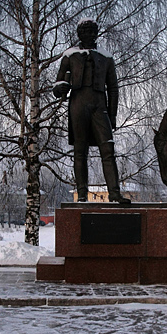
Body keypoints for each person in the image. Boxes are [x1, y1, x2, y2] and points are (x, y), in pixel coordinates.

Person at [46, 20, 132, 204]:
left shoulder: (106, 58)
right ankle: (82, 195)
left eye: (92, 31)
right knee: (80, 150)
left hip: (99, 105)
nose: (88, 35)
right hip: (78, 104)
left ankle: (114, 194)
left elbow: (113, 88)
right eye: (84, 32)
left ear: (96, 33)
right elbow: (57, 85)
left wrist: (113, 115)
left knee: (107, 148)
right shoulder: (70, 56)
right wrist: (60, 88)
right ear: (79, 34)